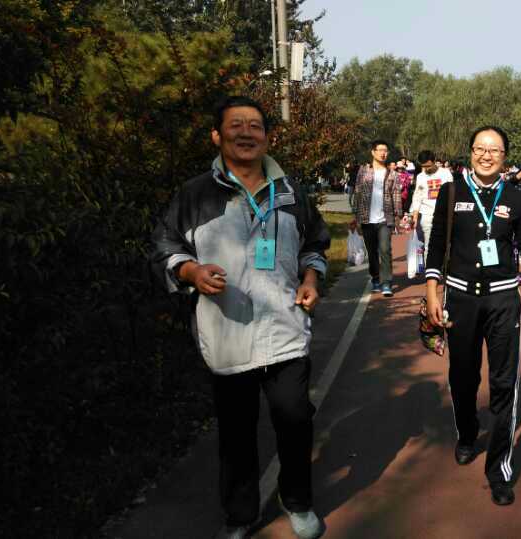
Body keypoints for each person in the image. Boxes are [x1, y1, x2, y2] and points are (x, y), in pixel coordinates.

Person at [150, 96, 329, 539]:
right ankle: (241, 514)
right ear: (217, 135)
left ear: (267, 137)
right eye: (236, 125)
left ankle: (298, 501)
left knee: (295, 421)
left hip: (286, 329)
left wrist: (311, 278)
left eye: (255, 125)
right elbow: (165, 247)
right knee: (236, 434)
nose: (246, 133)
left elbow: (315, 244)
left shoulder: (291, 192)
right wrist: (190, 272)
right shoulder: (195, 195)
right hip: (227, 334)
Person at [425, 125, 521, 507]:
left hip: (503, 302)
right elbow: (437, 243)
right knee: (463, 377)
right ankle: (467, 432)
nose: (486, 155)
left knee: (504, 384)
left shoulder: (515, 197)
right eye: (480, 148)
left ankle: (499, 470)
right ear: (471, 151)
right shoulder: (452, 192)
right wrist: (432, 291)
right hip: (460, 299)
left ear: (505, 156)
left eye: (494, 150)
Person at [352, 141, 402, 297]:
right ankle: (375, 278)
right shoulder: (363, 172)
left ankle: (386, 282)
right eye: (380, 150)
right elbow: (357, 194)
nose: (383, 153)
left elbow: (396, 195)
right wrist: (356, 217)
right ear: (373, 152)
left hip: (384, 219)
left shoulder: (392, 174)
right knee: (372, 252)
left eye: (385, 150)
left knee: (385, 250)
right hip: (367, 219)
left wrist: (398, 216)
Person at [410, 150, 454, 260]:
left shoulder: (445, 173)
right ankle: (429, 269)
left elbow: (452, 193)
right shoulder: (420, 177)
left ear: (434, 161)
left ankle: (445, 267)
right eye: (424, 166)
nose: (427, 169)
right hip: (427, 215)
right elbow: (417, 197)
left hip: (444, 215)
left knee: (447, 244)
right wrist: (415, 216)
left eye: (429, 166)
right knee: (429, 246)